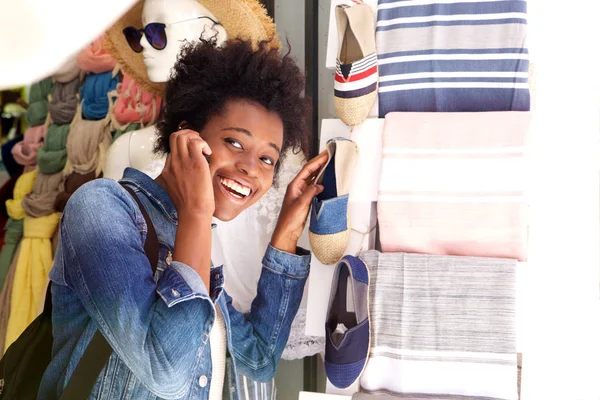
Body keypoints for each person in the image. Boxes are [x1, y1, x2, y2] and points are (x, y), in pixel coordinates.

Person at [39, 38, 328, 399]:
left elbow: (257, 359)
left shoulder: (195, 245)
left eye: (267, 159)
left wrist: (287, 229)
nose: (251, 169)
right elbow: (166, 370)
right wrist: (196, 212)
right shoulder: (101, 208)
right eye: (235, 143)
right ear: (186, 135)